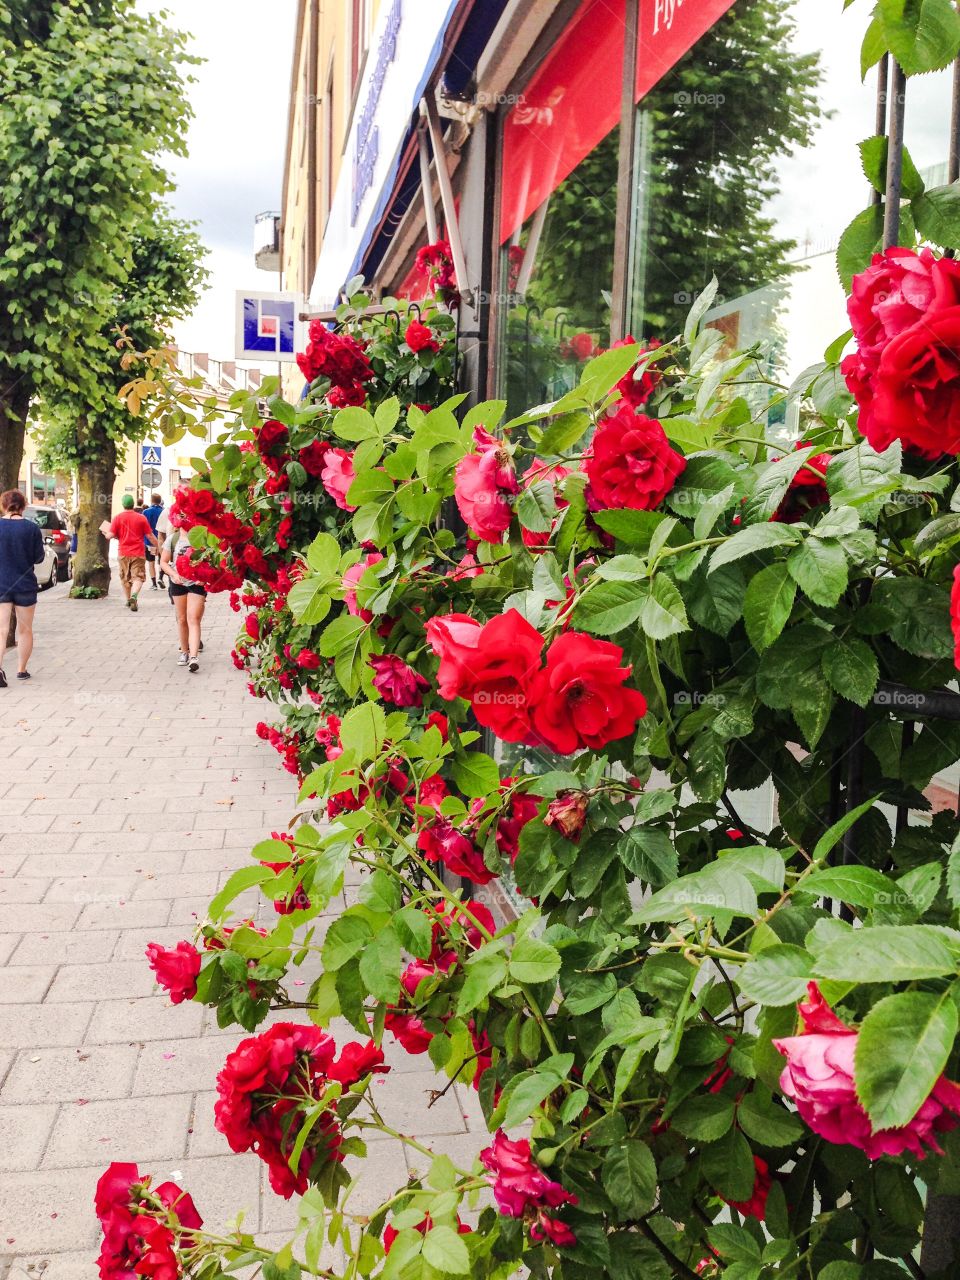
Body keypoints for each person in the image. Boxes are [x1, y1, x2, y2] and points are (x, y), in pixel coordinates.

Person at [0, 489, 45, 687]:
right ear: (24, 506)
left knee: (1, 630)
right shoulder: (32, 529)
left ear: (3, 505)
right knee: (25, 629)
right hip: (25, 585)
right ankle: (21, 670)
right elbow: (39, 557)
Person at [99, 494, 158, 611]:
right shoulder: (141, 518)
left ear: (123, 504)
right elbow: (150, 536)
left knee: (125, 578)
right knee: (138, 577)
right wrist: (159, 546)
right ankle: (134, 596)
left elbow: (109, 536)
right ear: (133, 504)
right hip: (138, 553)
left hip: (123, 553)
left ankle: (128, 600)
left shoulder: (117, 518)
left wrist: (105, 533)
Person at [159, 524, 205, 672]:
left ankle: (193, 657)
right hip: (178, 583)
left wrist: (205, 575)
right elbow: (163, 562)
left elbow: (212, 559)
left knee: (194, 619)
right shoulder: (173, 539)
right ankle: (184, 652)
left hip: (197, 583)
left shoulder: (202, 536)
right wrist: (173, 574)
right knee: (182, 619)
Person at [142, 492, 165, 590]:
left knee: (151, 563)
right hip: (162, 541)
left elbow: (144, 527)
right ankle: (161, 577)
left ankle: (154, 584)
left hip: (149, 541)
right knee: (163, 561)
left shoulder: (146, 512)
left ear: (151, 501)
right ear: (160, 501)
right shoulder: (164, 511)